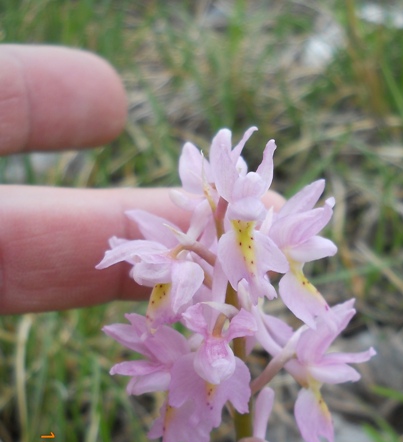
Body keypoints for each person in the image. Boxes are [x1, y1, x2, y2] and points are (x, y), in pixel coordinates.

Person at [0, 44, 284, 315]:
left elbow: (229, 241)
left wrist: (246, 267)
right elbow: (197, 233)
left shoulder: (234, 231)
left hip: (237, 257)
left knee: (242, 299)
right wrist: (191, 246)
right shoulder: (205, 213)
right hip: (217, 257)